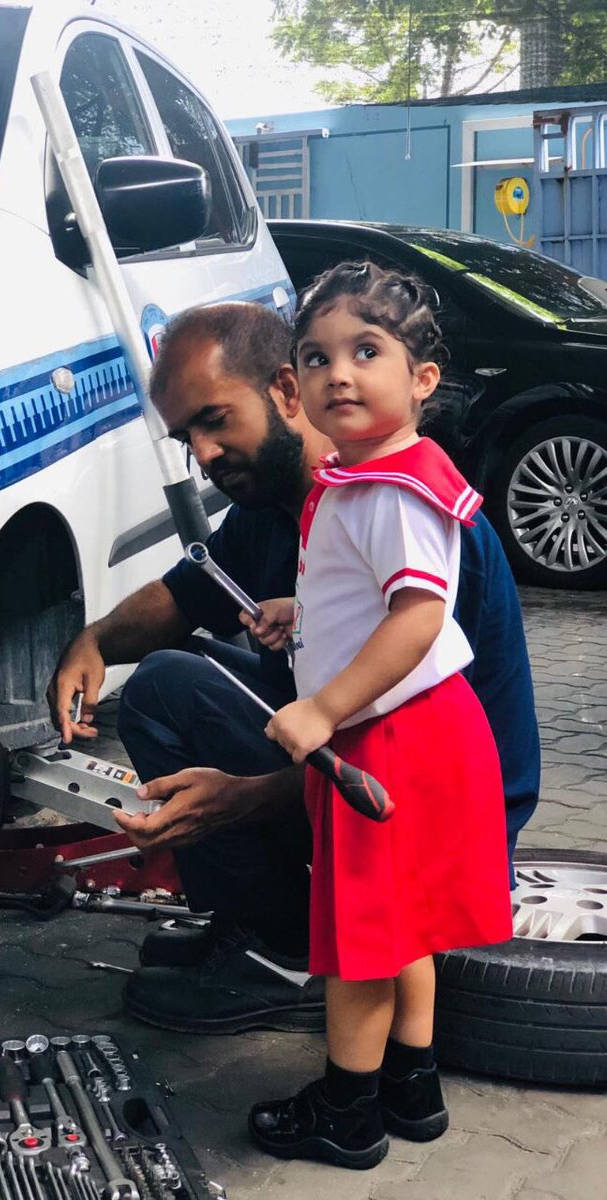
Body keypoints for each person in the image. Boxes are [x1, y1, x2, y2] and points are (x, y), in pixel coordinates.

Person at [47, 300, 539, 1037]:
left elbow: (418, 742)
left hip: (441, 810)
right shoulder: (290, 501)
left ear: (284, 391)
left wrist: (244, 795)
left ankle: (283, 956)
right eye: (187, 438)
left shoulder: (402, 508)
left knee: (173, 694)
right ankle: (256, 920)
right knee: (163, 685)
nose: (204, 455)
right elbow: (185, 595)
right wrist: (94, 641)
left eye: (216, 420)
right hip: (376, 764)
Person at [239, 261, 514, 1168]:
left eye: (367, 350)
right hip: (425, 729)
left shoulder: (393, 488)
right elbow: (371, 598)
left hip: (390, 740)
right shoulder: (368, 477)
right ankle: (412, 1086)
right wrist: (299, 616)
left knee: (361, 941)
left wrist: (321, 704)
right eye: (315, 358)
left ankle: (348, 1114)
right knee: (408, 927)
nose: (338, 373)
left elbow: (419, 615)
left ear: (422, 379)